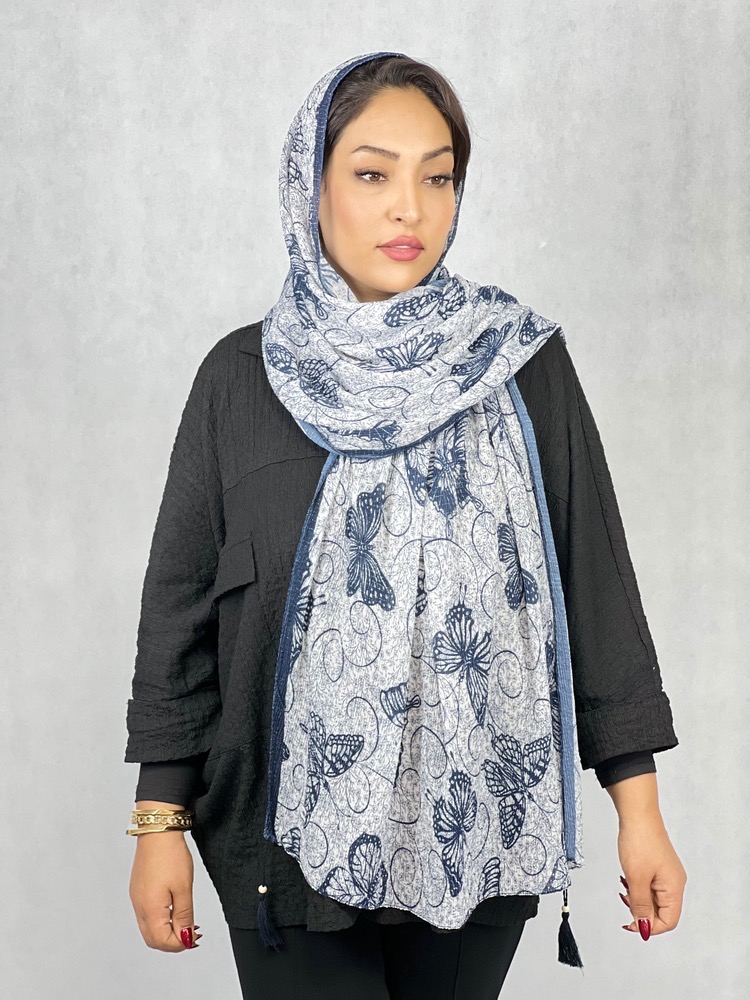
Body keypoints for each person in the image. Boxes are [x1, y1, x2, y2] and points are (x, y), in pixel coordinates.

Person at [125, 52, 687, 999]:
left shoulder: (519, 365)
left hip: (480, 832)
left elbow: (595, 589)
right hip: (279, 846)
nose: (409, 209)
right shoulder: (240, 380)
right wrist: (158, 823)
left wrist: (641, 812)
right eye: (372, 174)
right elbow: (179, 616)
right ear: (311, 185)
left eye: (437, 177)